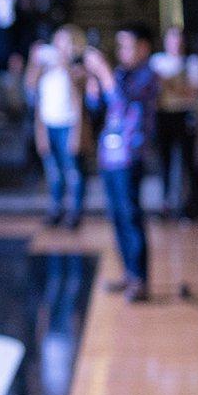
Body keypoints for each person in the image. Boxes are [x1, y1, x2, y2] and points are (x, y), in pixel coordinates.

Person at [84, 24, 159, 302]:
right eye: (120, 46)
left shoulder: (148, 75)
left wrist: (103, 72)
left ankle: (140, 279)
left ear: (143, 47)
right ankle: (128, 272)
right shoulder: (118, 74)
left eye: (127, 45)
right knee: (116, 217)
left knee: (131, 215)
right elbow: (97, 107)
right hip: (109, 155)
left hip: (130, 154)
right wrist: (94, 80)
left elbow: (123, 101)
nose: (121, 52)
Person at [26, 25, 87, 227]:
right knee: (53, 172)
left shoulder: (78, 67)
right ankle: (55, 209)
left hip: (69, 124)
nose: (60, 46)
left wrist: (65, 64)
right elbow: (30, 86)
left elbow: (80, 91)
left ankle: (75, 212)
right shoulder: (46, 68)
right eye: (58, 41)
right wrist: (35, 62)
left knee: (73, 171)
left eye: (66, 42)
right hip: (47, 123)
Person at [150, 27, 198, 217]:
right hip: (163, 115)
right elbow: (151, 92)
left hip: (184, 115)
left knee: (187, 161)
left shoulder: (192, 62)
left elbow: (192, 92)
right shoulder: (157, 60)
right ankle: (166, 204)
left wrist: (169, 84)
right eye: (171, 39)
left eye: (179, 39)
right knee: (164, 161)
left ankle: (190, 204)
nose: (175, 43)